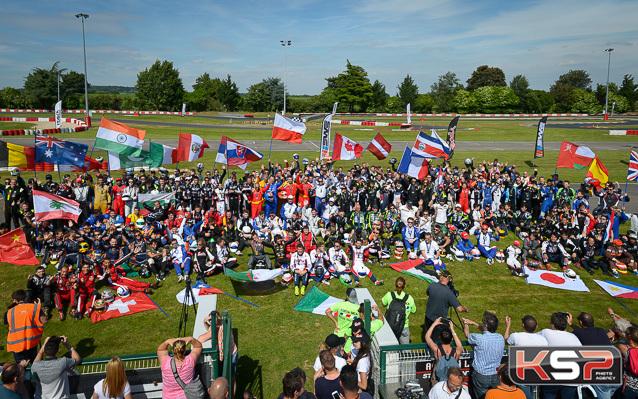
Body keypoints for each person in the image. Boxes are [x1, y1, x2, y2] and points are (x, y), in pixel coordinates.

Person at [462, 312, 505, 399]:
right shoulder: (500, 337)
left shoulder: (478, 338)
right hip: (496, 375)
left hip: (481, 376)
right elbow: (487, 332)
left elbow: (467, 334)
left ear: (485, 326)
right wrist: (474, 323)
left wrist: (466, 324)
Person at [198, 314, 239, 395]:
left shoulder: (217, 329)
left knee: (228, 378)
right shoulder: (223, 325)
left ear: (218, 319)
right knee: (232, 378)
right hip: (232, 352)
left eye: (211, 320)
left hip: (230, 355)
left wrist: (207, 322)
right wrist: (205, 322)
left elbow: (200, 339)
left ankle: (229, 395)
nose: (210, 322)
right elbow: (209, 330)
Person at [4, 290, 47, 364]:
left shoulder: (9, 312)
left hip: (17, 345)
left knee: (22, 368)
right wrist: (39, 308)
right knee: (35, 363)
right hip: (31, 341)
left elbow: (8, 323)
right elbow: (44, 320)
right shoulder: (34, 308)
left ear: (15, 300)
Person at [424, 271, 468, 342]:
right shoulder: (449, 293)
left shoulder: (431, 285)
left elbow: (428, 293)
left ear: (441, 277)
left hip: (428, 317)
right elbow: (459, 309)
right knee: (436, 341)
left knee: (428, 337)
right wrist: (465, 309)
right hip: (439, 321)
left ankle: (428, 351)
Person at [425, 317, 462, 383]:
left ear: (440, 338)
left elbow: (427, 336)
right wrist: (453, 330)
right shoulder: (457, 352)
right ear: (452, 339)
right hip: (452, 379)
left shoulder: (436, 349)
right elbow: (459, 345)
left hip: (438, 378)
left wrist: (434, 324)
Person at [381, 277, 416, 344]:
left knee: (390, 347)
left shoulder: (389, 295)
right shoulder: (409, 298)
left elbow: (383, 304)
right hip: (404, 326)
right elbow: (414, 311)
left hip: (390, 325)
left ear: (394, 284)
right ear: (405, 286)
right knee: (406, 350)